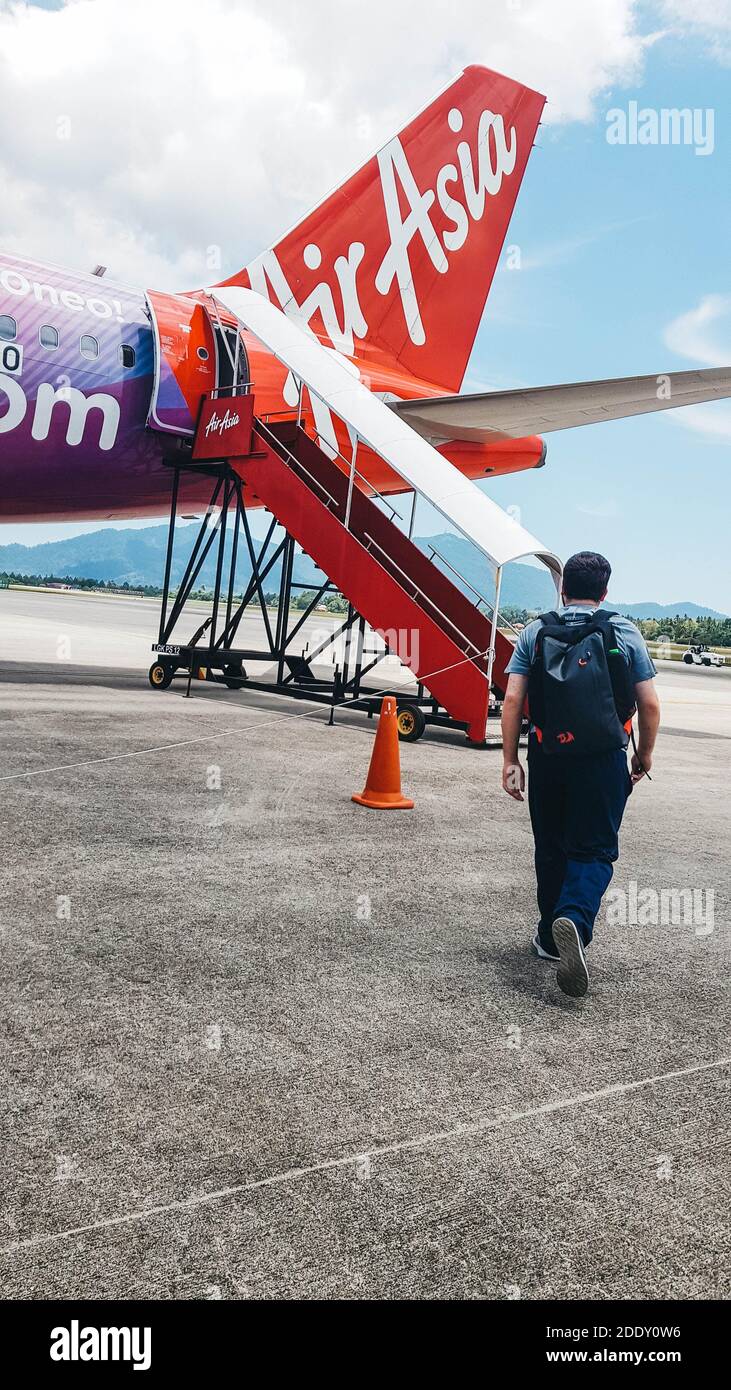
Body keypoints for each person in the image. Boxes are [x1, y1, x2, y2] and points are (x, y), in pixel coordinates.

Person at [500, 551, 660, 998]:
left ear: (563, 588)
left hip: (549, 756)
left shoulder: (535, 630)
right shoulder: (622, 629)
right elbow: (648, 704)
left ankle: (551, 936)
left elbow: (513, 701)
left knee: (550, 846)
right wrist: (642, 757)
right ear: (604, 591)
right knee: (592, 851)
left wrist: (510, 760)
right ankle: (573, 914)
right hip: (604, 758)